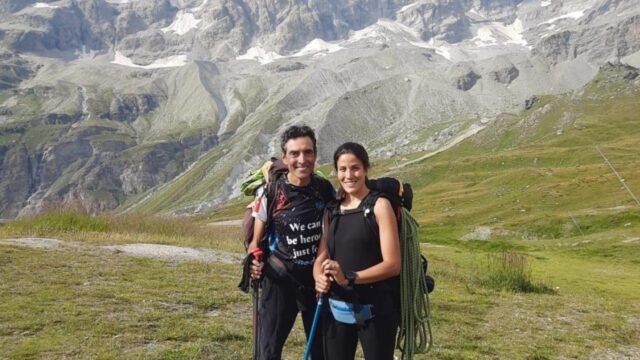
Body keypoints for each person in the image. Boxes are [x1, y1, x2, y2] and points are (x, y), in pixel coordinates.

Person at [248, 125, 334, 360]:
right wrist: (254, 262)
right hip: (278, 281)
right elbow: (256, 241)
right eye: (294, 154)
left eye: (308, 152)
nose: (302, 159)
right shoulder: (270, 192)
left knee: (321, 352)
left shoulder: (325, 189)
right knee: (268, 351)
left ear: (315, 154)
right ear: (284, 158)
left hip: (315, 282)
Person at [313, 142, 401, 360]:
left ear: (366, 169)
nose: (349, 175)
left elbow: (393, 264)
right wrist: (318, 278)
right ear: (336, 172)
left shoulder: (379, 205)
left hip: (376, 307)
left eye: (355, 168)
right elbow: (321, 257)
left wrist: (349, 278)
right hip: (337, 306)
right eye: (342, 169)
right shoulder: (332, 209)